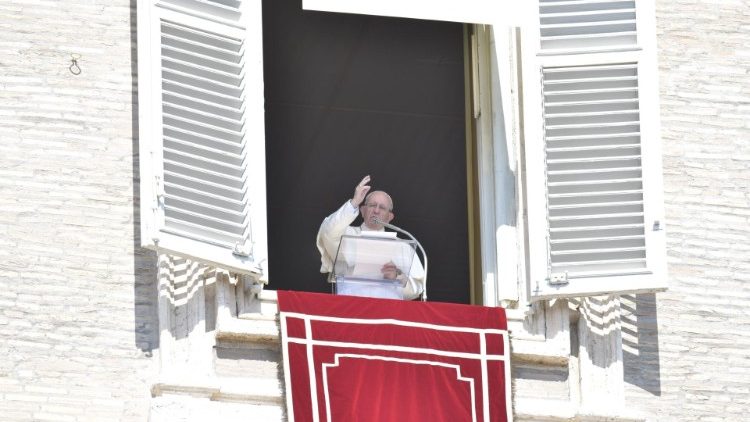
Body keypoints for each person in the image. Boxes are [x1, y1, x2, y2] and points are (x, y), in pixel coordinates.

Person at [316, 175, 425, 300]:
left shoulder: (403, 246)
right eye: (372, 205)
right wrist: (354, 202)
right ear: (362, 210)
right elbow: (327, 232)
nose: (376, 211)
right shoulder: (346, 235)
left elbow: (416, 289)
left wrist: (397, 276)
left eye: (382, 208)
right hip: (351, 307)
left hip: (388, 312)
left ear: (390, 217)